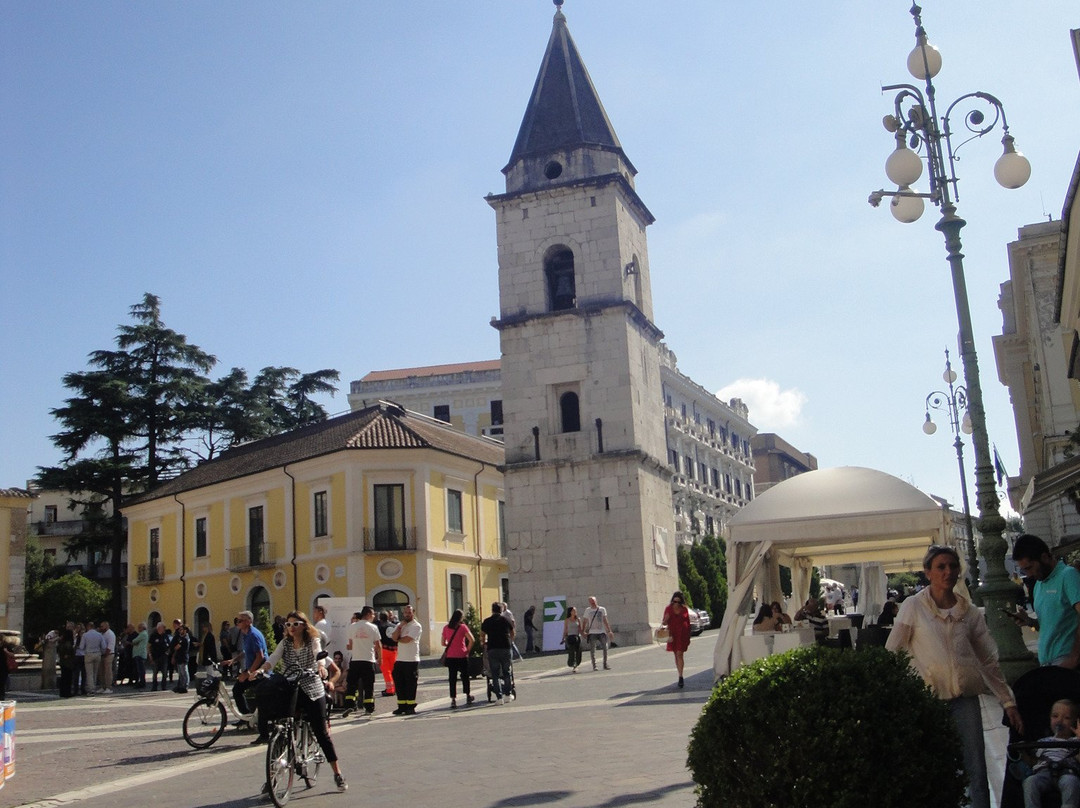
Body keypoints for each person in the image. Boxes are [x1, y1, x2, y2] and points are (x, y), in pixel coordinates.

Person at [886, 545, 1024, 808]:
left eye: (952, 566)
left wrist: (1007, 701)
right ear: (928, 573)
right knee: (932, 764)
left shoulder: (969, 612)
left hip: (964, 700)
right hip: (927, 700)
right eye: (941, 567)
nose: (948, 571)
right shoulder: (913, 606)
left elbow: (987, 659)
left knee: (975, 764)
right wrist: (899, 694)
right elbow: (893, 651)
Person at [256, 611, 347, 793]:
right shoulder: (286, 643)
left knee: (321, 732)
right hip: (291, 687)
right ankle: (273, 776)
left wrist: (320, 667)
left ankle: (337, 773)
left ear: (304, 625)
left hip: (312, 687)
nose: (291, 628)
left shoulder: (312, 639)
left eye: (295, 624)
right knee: (282, 728)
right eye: (288, 625)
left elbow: (317, 653)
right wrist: (260, 670)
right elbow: (273, 659)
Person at [1009, 533, 1080, 668]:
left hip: (1067, 661)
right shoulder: (1039, 584)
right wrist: (1029, 622)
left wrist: (1074, 657)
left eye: (1029, 568)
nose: (1028, 574)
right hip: (1047, 661)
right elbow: (1048, 626)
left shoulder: (1068, 576)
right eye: (1024, 569)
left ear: (1044, 557)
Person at [1021, 698, 1080, 808]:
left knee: (1072, 783)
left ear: (1075, 722)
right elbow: (1033, 762)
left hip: (1067, 772)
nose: (1060, 721)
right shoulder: (1043, 742)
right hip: (1043, 772)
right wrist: (1022, 753)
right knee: (1030, 782)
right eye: (1055, 716)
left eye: (1066, 718)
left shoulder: (1074, 742)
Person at [343, 606, 381, 717]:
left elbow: (350, 645)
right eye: (373, 614)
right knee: (368, 686)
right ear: (368, 614)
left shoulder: (352, 627)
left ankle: (349, 705)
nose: (374, 616)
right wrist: (380, 658)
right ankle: (369, 708)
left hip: (355, 660)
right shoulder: (373, 627)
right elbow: (378, 645)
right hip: (368, 660)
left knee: (352, 684)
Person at [232, 610, 269, 718]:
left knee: (238, 690)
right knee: (238, 689)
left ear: (248, 621)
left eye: (240, 621)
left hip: (259, 671)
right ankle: (247, 716)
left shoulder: (253, 635)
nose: (237, 623)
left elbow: (260, 656)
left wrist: (248, 673)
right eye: (237, 620)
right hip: (252, 669)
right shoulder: (245, 634)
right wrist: (234, 659)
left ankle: (250, 717)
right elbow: (247, 651)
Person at [390, 604, 422, 715]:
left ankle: (410, 706)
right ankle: (401, 706)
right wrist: (399, 628)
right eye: (405, 613)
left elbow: (407, 639)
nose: (407, 615)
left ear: (413, 613)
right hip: (400, 659)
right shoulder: (400, 625)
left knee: (410, 684)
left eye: (409, 613)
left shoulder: (416, 626)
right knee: (399, 683)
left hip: (411, 660)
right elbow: (394, 637)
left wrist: (398, 638)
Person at [481, 602, 514, 704]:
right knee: (506, 672)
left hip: (493, 648)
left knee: (495, 674)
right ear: (501, 610)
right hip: (505, 647)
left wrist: (483, 643)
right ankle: (508, 695)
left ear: (492, 610)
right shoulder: (505, 620)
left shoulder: (487, 621)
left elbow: (482, 634)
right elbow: (512, 632)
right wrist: (511, 641)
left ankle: (499, 697)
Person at [442, 608, 475, 708]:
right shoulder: (463, 627)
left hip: (451, 656)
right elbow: (472, 640)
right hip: (462, 655)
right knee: (465, 676)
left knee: (452, 678)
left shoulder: (446, 628)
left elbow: (443, 643)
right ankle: (468, 695)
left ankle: (453, 699)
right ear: (461, 618)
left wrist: (450, 645)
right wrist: (467, 650)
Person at [661, 591, 692, 688]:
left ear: (681, 602)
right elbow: (664, 623)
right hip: (673, 635)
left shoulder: (684, 609)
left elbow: (688, 622)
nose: (676, 604)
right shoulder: (668, 609)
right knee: (676, 654)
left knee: (680, 654)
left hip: (682, 635)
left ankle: (681, 676)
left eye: (678, 602)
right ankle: (680, 674)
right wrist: (666, 619)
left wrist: (688, 636)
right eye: (674, 601)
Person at [582, 596, 613, 671]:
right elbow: (585, 621)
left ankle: (605, 664)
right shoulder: (588, 610)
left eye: (593, 600)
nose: (592, 602)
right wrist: (583, 631)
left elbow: (605, 620)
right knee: (593, 649)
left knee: (605, 648)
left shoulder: (602, 609)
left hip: (601, 631)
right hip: (592, 632)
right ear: (589, 602)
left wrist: (609, 631)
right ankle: (594, 665)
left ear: (596, 601)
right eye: (591, 601)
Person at [376, 611, 397, 697]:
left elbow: (378, 641)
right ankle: (395, 688)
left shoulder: (379, 627)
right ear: (388, 617)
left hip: (384, 650)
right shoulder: (394, 626)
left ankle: (390, 689)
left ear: (380, 618)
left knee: (386, 671)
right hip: (395, 651)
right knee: (394, 671)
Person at [81, 621, 104, 694]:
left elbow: (81, 646)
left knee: (89, 673)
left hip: (89, 653)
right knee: (95, 672)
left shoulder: (85, 635)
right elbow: (104, 646)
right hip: (97, 653)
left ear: (88, 627)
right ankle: (93, 686)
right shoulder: (99, 635)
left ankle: (91, 689)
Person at [148, 622, 170, 691]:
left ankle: (164, 686)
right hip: (155, 657)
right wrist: (150, 655)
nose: (164, 629)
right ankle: (154, 686)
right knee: (155, 673)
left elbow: (169, 645)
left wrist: (168, 652)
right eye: (163, 627)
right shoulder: (153, 635)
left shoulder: (165, 635)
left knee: (165, 672)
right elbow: (149, 646)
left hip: (164, 657)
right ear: (159, 628)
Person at [171, 624, 191, 693]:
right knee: (181, 673)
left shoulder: (185, 638)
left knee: (184, 673)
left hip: (183, 657)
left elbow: (177, 647)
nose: (180, 631)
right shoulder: (181, 638)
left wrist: (175, 647)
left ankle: (185, 686)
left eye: (181, 629)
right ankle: (181, 686)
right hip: (179, 657)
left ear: (185, 630)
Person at [562, 606, 583, 672]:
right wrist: (563, 638)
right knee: (572, 651)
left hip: (577, 637)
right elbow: (565, 630)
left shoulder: (578, 619)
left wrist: (583, 635)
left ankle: (577, 663)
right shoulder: (567, 620)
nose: (575, 612)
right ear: (570, 612)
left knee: (578, 652)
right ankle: (573, 665)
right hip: (570, 637)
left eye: (575, 610)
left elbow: (580, 629)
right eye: (573, 610)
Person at [58, 626, 76, 697]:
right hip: (68, 663)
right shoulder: (68, 644)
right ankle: (67, 692)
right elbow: (68, 654)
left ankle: (62, 692)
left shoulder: (62, 643)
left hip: (63, 662)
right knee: (68, 678)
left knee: (63, 678)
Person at [99, 620, 116, 693]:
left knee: (108, 672)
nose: (101, 628)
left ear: (106, 626)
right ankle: (103, 686)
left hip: (108, 655)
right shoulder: (102, 634)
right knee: (101, 672)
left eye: (102, 626)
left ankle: (109, 687)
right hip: (102, 654)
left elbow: (110, 646)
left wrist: (105, 654)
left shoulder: (110, 634)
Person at [131, 622, 148, 689]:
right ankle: (141, 682)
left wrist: (134, 642)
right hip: (139, 653)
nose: (138, 629)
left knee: (141, 669)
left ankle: (142, 682)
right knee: (140, 669)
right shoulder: (142, 634)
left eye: (139, 627)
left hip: (140, 653)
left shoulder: (143, 634)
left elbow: (134, 641)